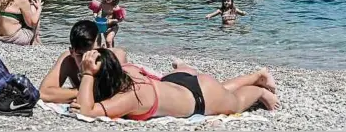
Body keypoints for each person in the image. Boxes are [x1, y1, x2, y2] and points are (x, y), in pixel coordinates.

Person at [71, 48, 279, 119]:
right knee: (222, 90)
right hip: (179, 81)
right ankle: (256, 75)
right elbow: (119, 53)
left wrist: (88, 73)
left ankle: (258, 91)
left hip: (199, 97)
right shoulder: (126, 72)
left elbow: (87, 112)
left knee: (236, 103)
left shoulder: (129, 97)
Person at [39, 20, 129, 104]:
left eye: (92, 53)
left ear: (103, 48)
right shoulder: (68, 60)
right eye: (80, 55)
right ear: (72, 52)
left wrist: (79, 94)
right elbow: (44, 93)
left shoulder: (115, 58)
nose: (86, 60)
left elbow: (124, 95)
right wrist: (86, 92)